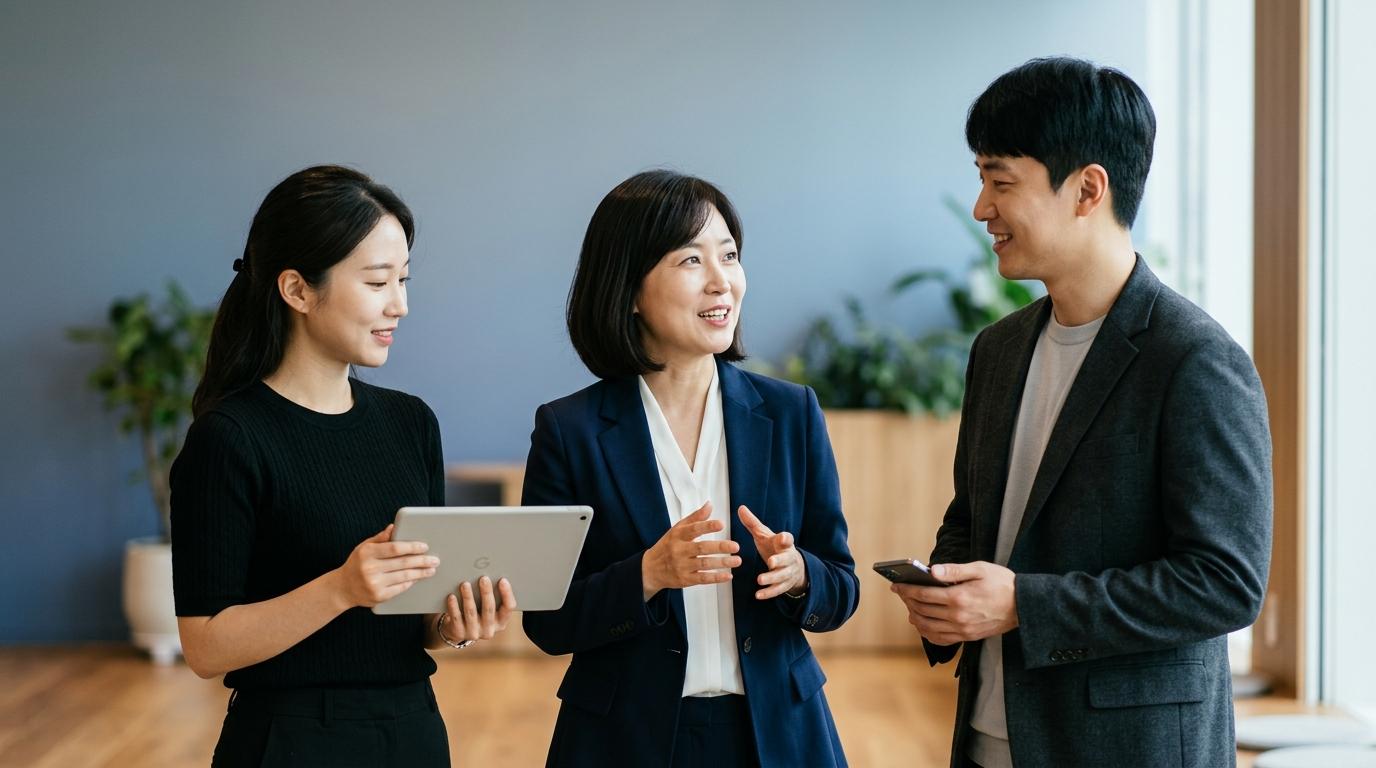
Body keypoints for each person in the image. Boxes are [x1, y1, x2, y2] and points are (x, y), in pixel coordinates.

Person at [887, 58, 1273, 768]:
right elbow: (972, 518)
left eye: (1001, 181)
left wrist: (1022, 606)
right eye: (981, 179)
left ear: (1088, 189)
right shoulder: (998, 349)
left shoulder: (1194, 361)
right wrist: (946, 593)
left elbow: (1226, 582)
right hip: (987, 738)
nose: (981, 208)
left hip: (1124, 749)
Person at [171, 165, 516, 767]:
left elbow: (418, 622)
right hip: (289, 740)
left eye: (404, 280)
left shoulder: (411, 423)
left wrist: (457, 621)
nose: (401, 306)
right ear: (298, 290)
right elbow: (205, 646)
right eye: (379, 282)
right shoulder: (228, 439)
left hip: (414, 728)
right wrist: (341, 588)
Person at [520, 170, 858, 767]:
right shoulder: (569, 430)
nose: (721, 281)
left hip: (777, 734)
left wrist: (799, 573)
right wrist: (648, 573)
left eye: (728, 255)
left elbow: (842, 587)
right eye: (690, 260)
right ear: (629, 288)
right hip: (625, 740)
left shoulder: (790, 412)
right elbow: (548, 621)